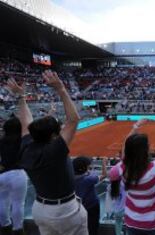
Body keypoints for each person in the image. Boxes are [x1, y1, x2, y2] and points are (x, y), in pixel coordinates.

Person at [16, 71, 87, 235]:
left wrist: (21, 97)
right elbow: (73, 120)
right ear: (54, 136)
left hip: (41, 209)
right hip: (65, 211)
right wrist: (61, 89)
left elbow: (26, 122)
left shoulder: (27, 146)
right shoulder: (54, 151)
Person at [109, 118, 155, 235]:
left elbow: (125, 149)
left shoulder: (121, 168)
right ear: (145, 151)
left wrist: (136, 126)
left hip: (132, 221)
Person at [0, 115, 28, 235]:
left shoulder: (1, 140)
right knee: (18, 203)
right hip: (18, 174)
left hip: (2, 174)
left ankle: (5, 225)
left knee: (2, 201)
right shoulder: (22, 140)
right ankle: (18, 229)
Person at [73, 157, 108, 235]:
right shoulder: (89, 179)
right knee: (93, 227)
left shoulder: (71, 178)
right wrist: (104, 163)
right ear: (84, 168)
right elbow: (104, 175)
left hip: (78, 207)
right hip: (92, 207)